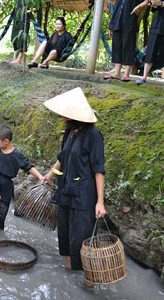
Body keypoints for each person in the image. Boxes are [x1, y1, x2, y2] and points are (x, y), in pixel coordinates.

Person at [43, 87, 106, 271]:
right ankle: (69, 275)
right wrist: (50, 175)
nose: (62, 118)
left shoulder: (94, 135)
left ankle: (86, 281)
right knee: (65, 235)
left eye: (64, 115)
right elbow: (62, 158)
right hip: (66, 190)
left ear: (74, 116)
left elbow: (99, 169)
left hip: (84, 196)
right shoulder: (71, 132)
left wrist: (100, 202)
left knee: (81, 238)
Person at [0, 124, 44, 230]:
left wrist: (40, 177)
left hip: (6, 186)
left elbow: (28, 167)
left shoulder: (17, 155)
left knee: (2, 211)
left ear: (6, 141)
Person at [104, 0, 141, 82]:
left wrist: (138, 7)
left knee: (128, 47)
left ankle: (126, 74)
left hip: (130, 22)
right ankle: (117, 73)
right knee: (116, 46)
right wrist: (111, 25)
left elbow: (148, 1)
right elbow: (116, 8)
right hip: (117, 22)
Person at [131, 0, 164, 85]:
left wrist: (161, 3)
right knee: (150, 51)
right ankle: (144, 77)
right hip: (158, 24)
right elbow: (154, 8)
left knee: (161, 58)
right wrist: (154, 4)